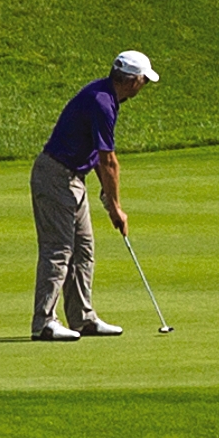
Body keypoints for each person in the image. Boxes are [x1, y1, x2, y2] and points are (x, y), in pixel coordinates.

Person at [31, 47, 154, 339]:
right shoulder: (102, 101)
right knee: (59, 250)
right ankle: (44, 323)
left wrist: (106, 196)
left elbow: (99, 156)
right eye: (144, 81)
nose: (144, 86)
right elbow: (109, 160)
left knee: (83, 248)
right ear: (132, 80)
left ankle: (83, 318)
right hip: (55, 176)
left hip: (74, 177)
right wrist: (115, 206)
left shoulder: (107, 96)